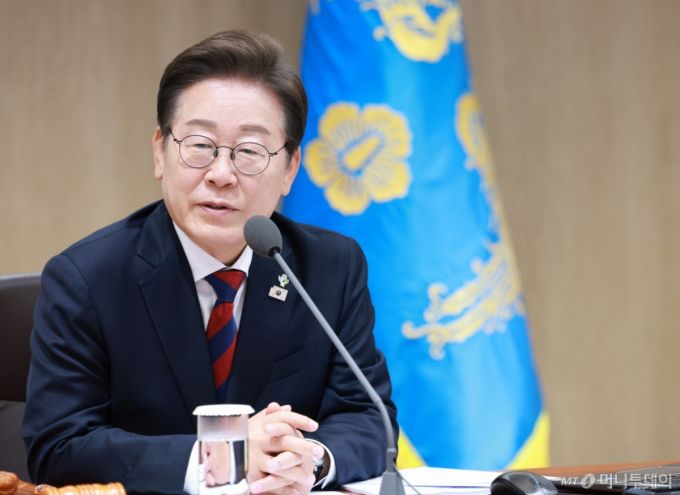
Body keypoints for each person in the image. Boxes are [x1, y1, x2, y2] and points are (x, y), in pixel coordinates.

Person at [22, 30, 397, 495]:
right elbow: (58, 448)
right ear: (160, 152)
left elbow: (368, 417)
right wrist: (220, 459)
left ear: (290, 168)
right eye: (199, 145)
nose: (221, 175)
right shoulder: (87, 279)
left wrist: (311, 461)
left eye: (250, 152)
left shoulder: (329, 268)